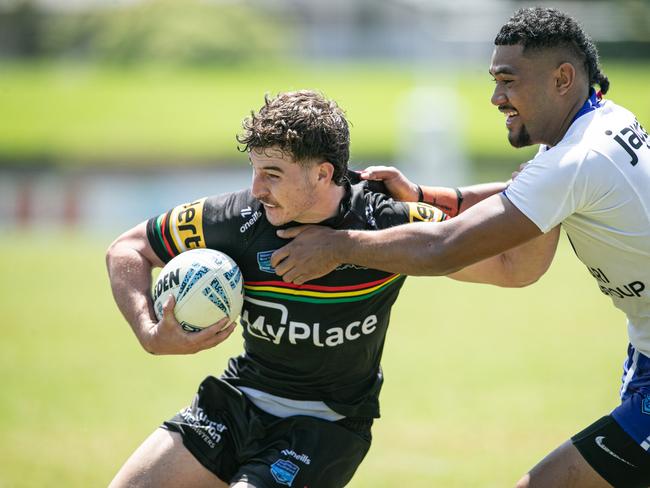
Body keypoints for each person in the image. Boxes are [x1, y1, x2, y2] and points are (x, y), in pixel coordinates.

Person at [269, 8, 650, 488]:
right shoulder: (591, 126)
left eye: (508, 81)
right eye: (494, 80)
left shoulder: (578, 158)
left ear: (562, 78)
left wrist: (336, 245)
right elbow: (524, 192)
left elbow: (443, 249)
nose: (496, 97)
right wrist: (426, 196)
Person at [105, 89, 513, 488]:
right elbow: (128, 248)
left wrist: (543, 189)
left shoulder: (388, 220)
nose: (257, 189)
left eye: (273, 174)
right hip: (237, 401)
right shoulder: (236, 218)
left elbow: (508, 267)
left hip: (325, 426)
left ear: (322, 172)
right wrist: (148, 331)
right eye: (255, 170)